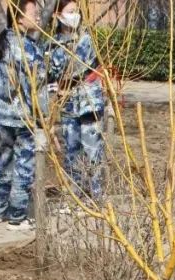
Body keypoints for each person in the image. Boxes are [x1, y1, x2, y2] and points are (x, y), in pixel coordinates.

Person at [0, 0, 46, 230]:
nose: (39, 18)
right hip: (23, 118)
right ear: (20, 18)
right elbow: (39, 90)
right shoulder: (29, 49)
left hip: (1, 116)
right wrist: (44, 121)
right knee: (24, 165)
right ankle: (17, 216)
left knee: (3, 160)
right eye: (34, 13)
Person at [48, 0, 105, 200]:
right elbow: (49, 73)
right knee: (71, 151)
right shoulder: (52, 42)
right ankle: (74, 196)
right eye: (70, 12)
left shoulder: (86, 39)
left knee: (93, 151)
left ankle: (96, 197)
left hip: (89, 102)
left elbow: (76, 67)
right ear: (57, 15)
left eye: (77, 11)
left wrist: (61, 79)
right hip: (67, 105)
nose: (75, 15)